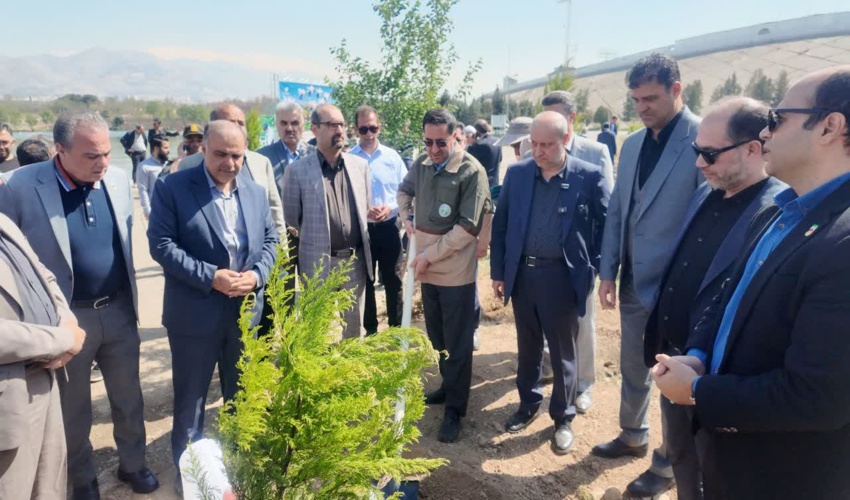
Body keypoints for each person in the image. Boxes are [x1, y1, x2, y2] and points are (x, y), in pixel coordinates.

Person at [653, 66, 850, 499]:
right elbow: (729, 296)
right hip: (733, 455)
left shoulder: (842, 240)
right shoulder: (781, 210)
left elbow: (816, 396)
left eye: (778, 119)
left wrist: (700, 391)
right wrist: (699, 356)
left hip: (783, 474)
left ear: (830, 127)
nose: (765, 132)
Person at [0, 111, 157, 499]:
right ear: (60, 150)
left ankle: (133, 464)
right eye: (91, 156)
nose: (102, 162)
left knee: (128, 397)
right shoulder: (20, 187)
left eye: (106, 153)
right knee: (73, 408)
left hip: (118, 310)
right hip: (67, 318)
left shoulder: (116, 180)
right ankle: (82, 478)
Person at [642, 97, 785, 499]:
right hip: (676, 361)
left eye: (709, 154)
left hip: (721, 378)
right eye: (696, 150)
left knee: (718, 470)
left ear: (753, 148)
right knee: (681, 454)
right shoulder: (708, 191)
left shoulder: (779, 211)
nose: (698, 163)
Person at [593, 53, 702, 498]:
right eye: (636, 100)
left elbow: (707, 222)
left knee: (672, 380)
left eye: (651, 98)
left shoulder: (703, 140)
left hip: (680, 291)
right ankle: (632, 434)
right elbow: (619, 211)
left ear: (677, 90)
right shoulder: (633, 144)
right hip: (634, 284)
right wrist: (607, 271)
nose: (642, 108)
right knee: (632, 365)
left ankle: (667, 464)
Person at [147, 120, 277, 494]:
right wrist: (211, 277)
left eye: (237, 155)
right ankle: (192, 478)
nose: (230, 163)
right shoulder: (173, 187)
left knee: (241, 397)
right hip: (194, 315)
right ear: (203, 148)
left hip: (244, 313)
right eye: (221, 154)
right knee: (191, 402)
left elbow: (271, 241)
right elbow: (161, 245)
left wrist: (257, 276)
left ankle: (235, 468)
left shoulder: (254, 192)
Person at [491, 111, 609, 454]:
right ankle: (528, 404)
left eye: (546, 145)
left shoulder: (588, 176)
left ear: (565, 140)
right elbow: (502, 225)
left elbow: (605, 226)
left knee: (563, 352)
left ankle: (562, 417)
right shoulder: (518, 174)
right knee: (528, 347)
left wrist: (596, 268)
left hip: (563, 278)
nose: (538, 151)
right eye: (534, 143)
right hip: (523, 275)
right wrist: (498, 272)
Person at [397, 108, 491, 443]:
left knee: (457, 342)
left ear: (455, 137)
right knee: (436, 337)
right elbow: (404, 191)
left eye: (441, 142)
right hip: (426, 269)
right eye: (428, 142)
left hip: (454, 272)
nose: (434, 149)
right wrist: (406, 217)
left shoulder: (471, 171)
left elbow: (467, 228)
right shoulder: (422, 164)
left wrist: (428, 256)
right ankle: (447, 386)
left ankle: (455, 409)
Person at [0, 212, 86, 498]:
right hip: (8, 402)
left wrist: (66, 320)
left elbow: (42, 275)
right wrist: (62, 339)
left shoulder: (3, 221)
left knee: (49, 488)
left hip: (43, 379)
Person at [540, 90, 615, 413]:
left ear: (571, 118)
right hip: (544, 257)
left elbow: (607, 210)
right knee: (544, 318)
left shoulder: (595, 153)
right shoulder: (535, 149)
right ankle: (549, 366)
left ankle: (583, 382)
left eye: (556, 116)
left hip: (580, 259)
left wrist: (599, 261)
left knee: (582, 322)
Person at [282, 104, 372, 339]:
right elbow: (291, 223)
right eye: (332, 125)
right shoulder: (297, 172)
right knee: (316, 332)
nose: (340, 130)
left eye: (341, 124)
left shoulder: (360, 166)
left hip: (354, 261)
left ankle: (351, 362)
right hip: (317, 263)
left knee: (353, 330)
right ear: (315, 129)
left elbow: (365, 210)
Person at [179, 104, 286, 241]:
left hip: (259, 252)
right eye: (230, 122)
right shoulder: (188, 166)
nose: (237, 128)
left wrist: (282, 249)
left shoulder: (261, 163)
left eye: (241, 123)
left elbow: (274, 210)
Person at [348, 105, 406, 335]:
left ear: (379, 128)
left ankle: (396, 331)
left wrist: (390, 207)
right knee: (366, 282)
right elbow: (345, 196)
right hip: (363, 231)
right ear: (356, 130)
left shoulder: (392, 157)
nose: (369, 134)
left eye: (373, 128)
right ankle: (371, 331)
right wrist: (363, 210)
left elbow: (404, 191)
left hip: (390, 228)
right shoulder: (349, 159)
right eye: (364, 129)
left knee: (394, 280)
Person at [136, 135, 170, 220]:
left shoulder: (170, 164)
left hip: (171, 209)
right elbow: (143, 190)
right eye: (165, 148)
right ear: (156, 149)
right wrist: (147, 211)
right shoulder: (144, 166)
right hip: (156, 210)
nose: (168, 151)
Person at [466, 119, 502, 187]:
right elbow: (500, 159)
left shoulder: (479, 145)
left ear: (476, 131)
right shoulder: (497, 141)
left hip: (483, 183)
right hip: (495, 181)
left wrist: (472, 144)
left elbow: (469, 160)